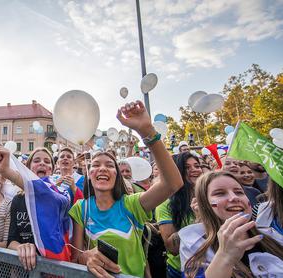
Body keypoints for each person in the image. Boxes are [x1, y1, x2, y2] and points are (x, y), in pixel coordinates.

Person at [69, 100, 184, 277]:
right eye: (96, 165)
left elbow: (173, 183)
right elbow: (76, 257)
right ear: (89, 174)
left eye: (109, 165)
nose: (102, 168)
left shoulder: (132, 204)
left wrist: (147, 131)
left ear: (117, 176)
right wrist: (86, 257)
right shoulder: (80, 208)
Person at [179, 171, 283, 277]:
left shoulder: (271, 235)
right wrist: (225, 256)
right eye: (220, 193)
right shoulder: (194, 245)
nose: (234, 197)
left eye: (239, 192)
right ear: (205, 204)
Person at [156, 152, 203, 278]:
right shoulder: (165, 203)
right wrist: (199, 221)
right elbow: (172, 247)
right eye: (187, 167)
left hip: (214, 263)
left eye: (197, 166)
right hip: (182, 269)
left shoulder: (211, 196)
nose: (194, 170)